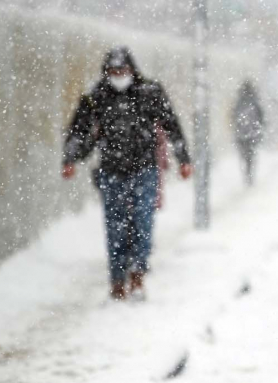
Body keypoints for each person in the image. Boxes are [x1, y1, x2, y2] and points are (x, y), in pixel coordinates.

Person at [62, 47, 193, 301]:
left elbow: (171, 125)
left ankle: (138, 273)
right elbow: (78, 130)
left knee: (142, 222)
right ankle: (117, 278)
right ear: (106, 72)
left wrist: (183, 159)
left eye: (122, 71)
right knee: (115, 226)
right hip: (111, 171)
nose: (118, 76)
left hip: (145, 168)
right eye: (113, 72)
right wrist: (71, 158)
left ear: (132, 70)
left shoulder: (149, 92)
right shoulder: (95, 96)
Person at [231, 80, 265, 186]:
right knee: (251, 154)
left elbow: (234, 116)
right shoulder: (254, 101)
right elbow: (261, 116)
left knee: (245, 154)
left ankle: (247, 172)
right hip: (252, 133)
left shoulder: (239, 101)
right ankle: (249, 172)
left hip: (241, 133)